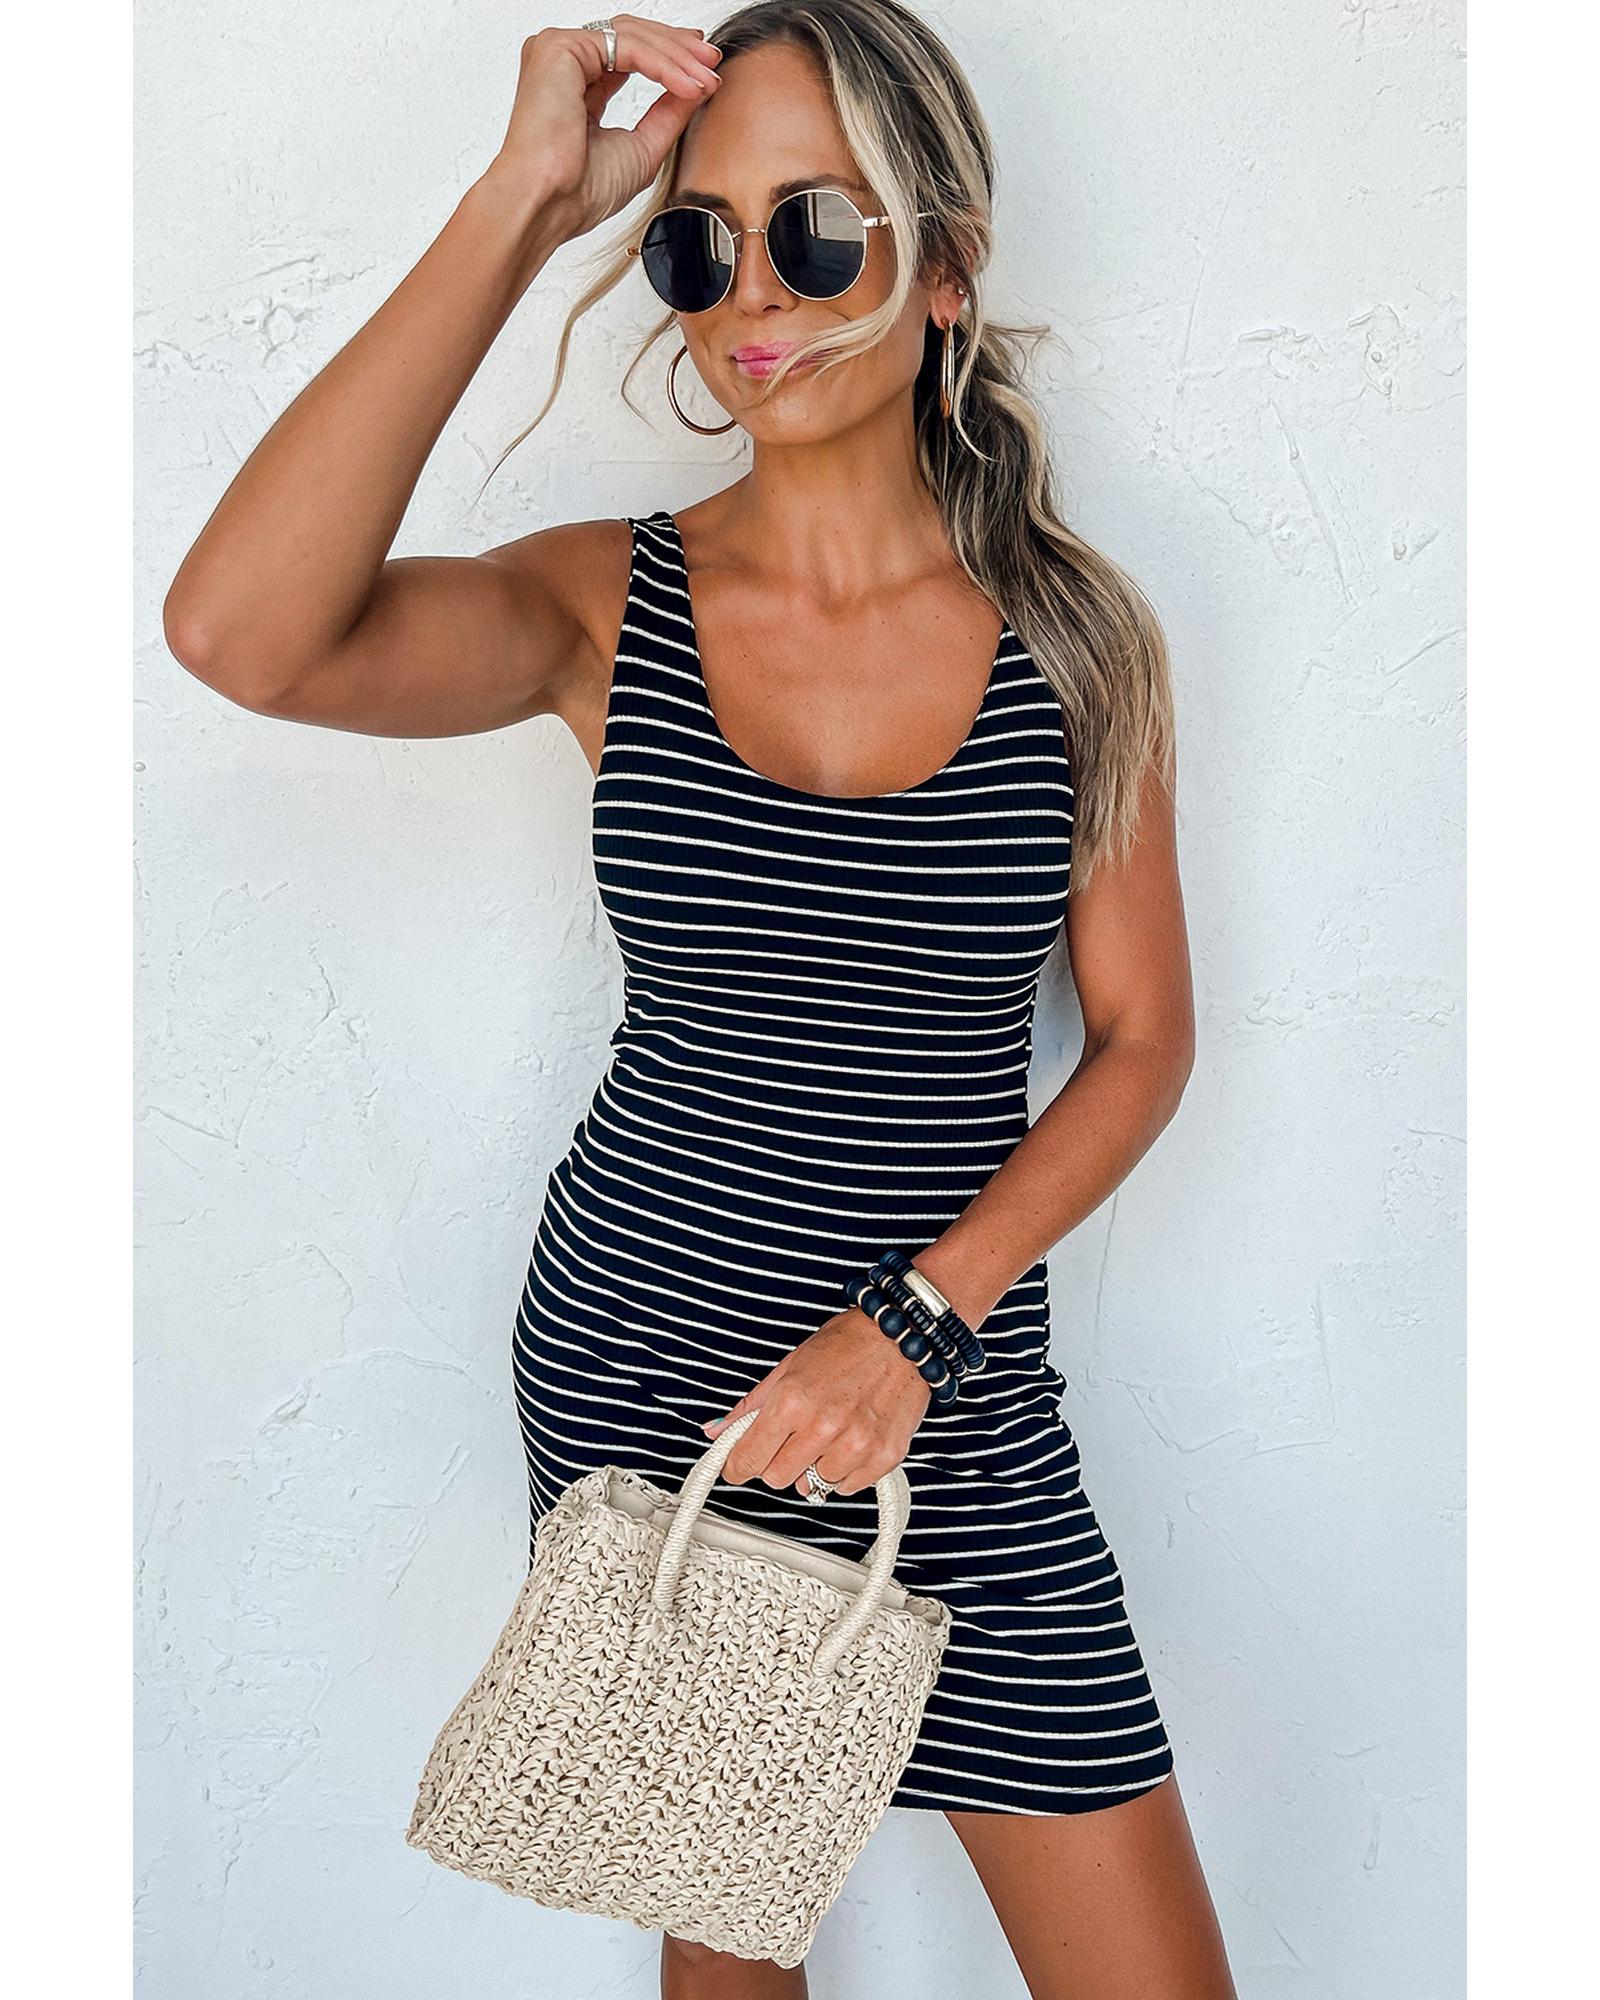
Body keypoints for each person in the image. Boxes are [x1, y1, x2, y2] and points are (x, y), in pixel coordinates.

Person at [163, 4, 1237, 1994]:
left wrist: (914, 1326)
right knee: (732, 1945)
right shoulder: (602, 602)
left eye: (813, 231)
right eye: (696, 241)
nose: (752, 293)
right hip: (656, 1387)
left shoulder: (1076, 641)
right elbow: (241, 633)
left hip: (947, 1394)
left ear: (944, 260)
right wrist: (520, 201)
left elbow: (1143, 1041)